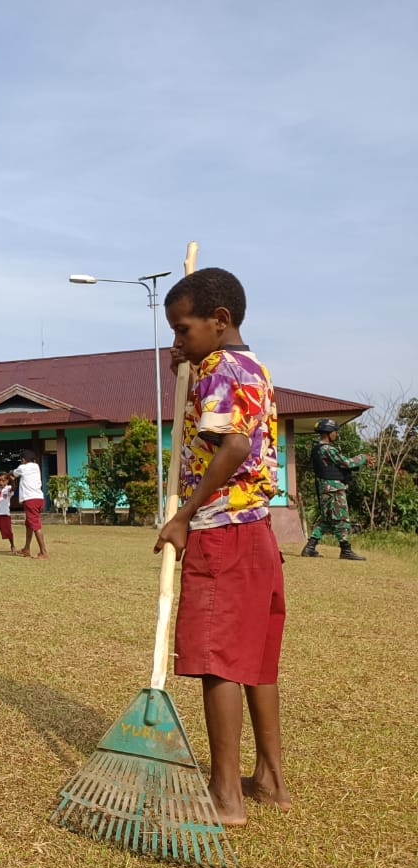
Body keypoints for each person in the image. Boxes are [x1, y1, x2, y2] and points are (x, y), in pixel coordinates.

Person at [154, 267, 290, 827]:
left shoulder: (219, 370)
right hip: (258, 531)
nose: (177, 342)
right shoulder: (248, 366)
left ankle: (225, 794)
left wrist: (183, 515)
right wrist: (189, 362)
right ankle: (271, 780)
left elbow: (230, 446)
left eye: (183, 331)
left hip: (220, 530)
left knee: (218, 661)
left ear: (220, 320)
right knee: (255, 660)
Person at [301, 418, 372, 560]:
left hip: (325, 488)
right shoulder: (328, 449)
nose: (335, 434)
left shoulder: (317, 449)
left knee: (326, 520)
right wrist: (362, 457)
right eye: (334, 432)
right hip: (334, 489)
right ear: (328, 433)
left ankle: (310, 547)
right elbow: (346, 463)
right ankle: (346, 550)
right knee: (341, 518)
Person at [13, 452, 47, 559]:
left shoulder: (22, 468)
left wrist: (8, 474)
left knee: (35, 525)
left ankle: (43, 552)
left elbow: (14, 474)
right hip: (39, 498)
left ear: (23, 460)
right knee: (29, 524)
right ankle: (26, 549)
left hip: (30, 499)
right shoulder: (36, 467)